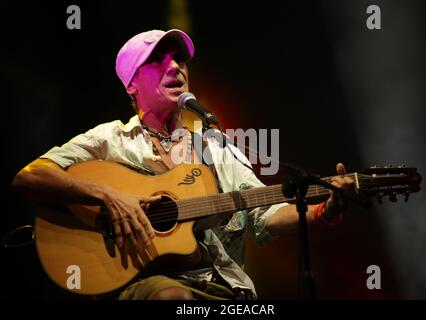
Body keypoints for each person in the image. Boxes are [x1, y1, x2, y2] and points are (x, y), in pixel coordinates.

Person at [12, 29, 353, 300]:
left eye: (179, 60)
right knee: (172, 296)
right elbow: (30, 177)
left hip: (225, 284)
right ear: (131, 83)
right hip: (148, 284)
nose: (175, 66)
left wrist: (322, 210)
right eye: (158, 60)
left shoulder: (213, 145)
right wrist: (108, 195)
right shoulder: (109, 140)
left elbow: (262, 215)